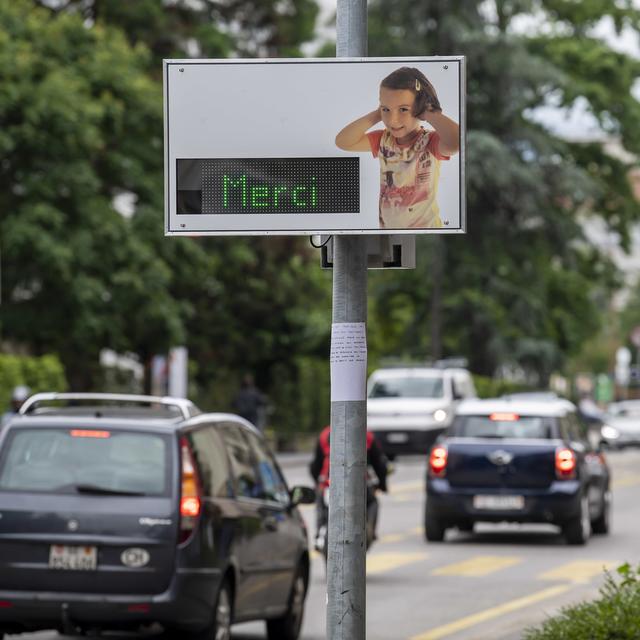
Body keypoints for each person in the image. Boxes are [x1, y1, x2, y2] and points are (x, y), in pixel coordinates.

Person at [335, 66, 460, 229]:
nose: (392, 120)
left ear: (420, 109)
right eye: (386, 109)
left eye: (403, 109)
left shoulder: (429, 142)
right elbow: (344, 142)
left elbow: (457, 142)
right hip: (388, 233)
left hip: (426, 233)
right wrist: (377, 114)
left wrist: (429, 112)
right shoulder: (383, 140)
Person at [309, 424, 389, 548]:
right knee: (373, 502)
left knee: (320, 503)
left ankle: (319, 533)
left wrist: (317, 483)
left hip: (328, 483)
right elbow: (379, 464)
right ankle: (369, 530)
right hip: (359, 483)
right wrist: (383, 485)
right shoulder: (366, 435)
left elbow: (315, 465)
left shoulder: (325, 435)